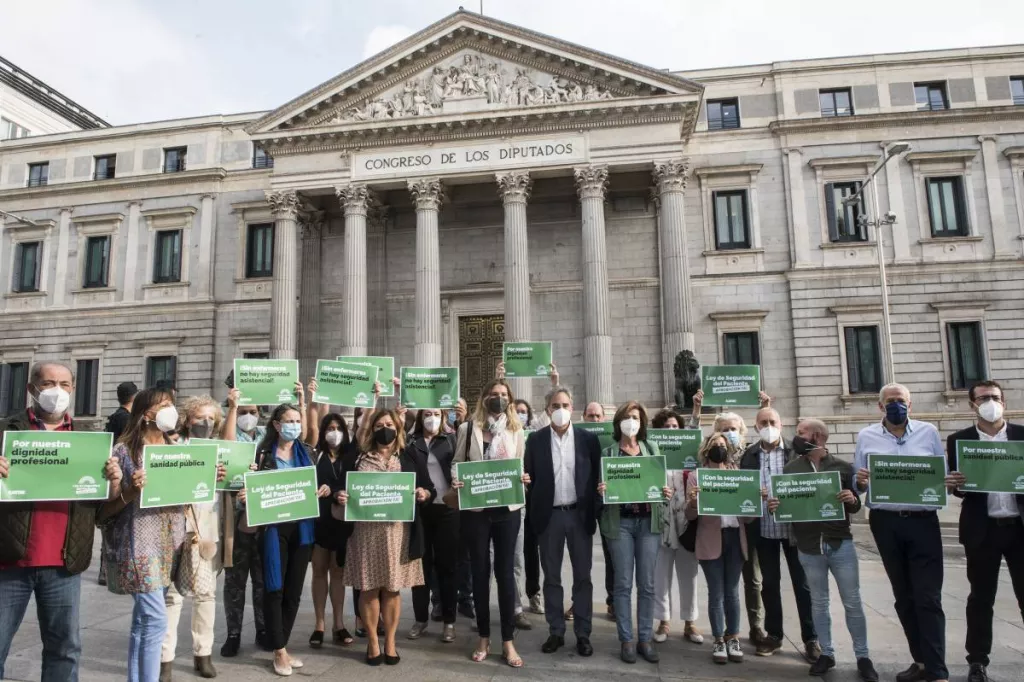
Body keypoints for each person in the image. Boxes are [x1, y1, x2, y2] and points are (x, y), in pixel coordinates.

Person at [0, 362, 123, 682]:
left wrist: (114, 484)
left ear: (73, 389)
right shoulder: (5, 433)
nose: (57, 391)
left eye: (64, 384)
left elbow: (103, 507)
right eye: (48, 383)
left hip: (64, 562)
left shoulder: (89, 441)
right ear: (31, 390)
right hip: (8, 561)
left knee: (65, 649)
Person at [98, 388, 214, 682]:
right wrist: (130, 490)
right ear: (145, 413)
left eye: (171, 405)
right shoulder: (123, 452)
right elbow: (103, 511)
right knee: (156, 618)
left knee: (143, 623)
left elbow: (188, 496)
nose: (170, 410)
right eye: (163, 405)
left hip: (170, 546)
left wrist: (208, 477)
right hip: (138, 547)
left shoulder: (176, 450)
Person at [767, 419, 878, 681]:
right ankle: (826, 653)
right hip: (808, 545)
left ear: (817, 437)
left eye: (802, 432)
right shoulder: (791, 468)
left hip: (840, 542)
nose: (797, 436)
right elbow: (785, 505)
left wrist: (852, 499)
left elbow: (854, 506)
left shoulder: (842, 467)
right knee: (819, 602)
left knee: (852, 602)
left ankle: (863, 656)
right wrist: (776, 506)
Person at [855, 383, 948, 682]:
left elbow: (940, 475)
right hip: (885, 522)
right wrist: (862, 481)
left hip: (922, 521)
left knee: (928, 596)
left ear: (911, 404)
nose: (896, 405)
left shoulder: (928, 432)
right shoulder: (866, 436)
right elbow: (860, 485)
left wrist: (948, 482)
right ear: (880, 407)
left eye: (901, 401)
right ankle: (920, 661)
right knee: (903, 597)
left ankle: (937, 671)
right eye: (890, 401)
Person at [241, 395, 328, 677]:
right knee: (274, 588)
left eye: (298, 421)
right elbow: (248, 488)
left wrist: (322, 490)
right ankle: (278, 650)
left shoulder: (308, 453)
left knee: (293, 591)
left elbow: (316, 483)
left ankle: (284, 646)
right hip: (273, 529)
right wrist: (246, 492)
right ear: (277, 425)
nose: (294, 425)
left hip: (302, 529)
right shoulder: (262, 455)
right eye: (289, 421)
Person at [337, 408, 432, 666]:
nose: (384, 429)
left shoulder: (409, 454)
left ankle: (390, 641)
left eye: (389, 424)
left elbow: (428, 487)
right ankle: (372, 641)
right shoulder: (357, 456)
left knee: (392, 589)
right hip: (365, 533)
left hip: (397, 533)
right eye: (379, 425)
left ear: (398, 428)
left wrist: (423, 493)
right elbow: (340, 486)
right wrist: (340, 495)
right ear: (372, 429)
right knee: (368, 588)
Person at [945, 380, 1024, 682]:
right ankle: (977, 660)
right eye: (983, 398)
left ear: (1004, 401)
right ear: (972, 405)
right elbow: (961, 489)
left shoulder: (1022, 436)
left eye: (995, 397)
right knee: (980, 598)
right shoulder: (959, 440)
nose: (990, 402)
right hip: (983, 529)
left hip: (1019, 528)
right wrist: (957, 485)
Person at [452, 378, 530, 668]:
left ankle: (508, 640)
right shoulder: (467, 428)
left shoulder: (516, 430)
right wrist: (455, 478)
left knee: (506, 573)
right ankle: (483, 636)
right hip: (476, 510)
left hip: (507, 509)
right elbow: (456, 462)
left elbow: (520, 464)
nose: (498, 399)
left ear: (509, 400)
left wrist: (523, 478)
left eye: (503, 395)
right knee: (480, 572)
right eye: (493, 394)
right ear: (484, 398)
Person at [161, 394, 234, 680]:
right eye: (199, 417)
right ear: (187, 421)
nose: (205, 422)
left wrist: (236, 477)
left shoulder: (222, 451)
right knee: (172, 596)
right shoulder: (173, 449)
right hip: (177, 527)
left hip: (208, 527)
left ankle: (203, 654)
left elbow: (235, 483)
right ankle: (165, 658)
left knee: (206, 594)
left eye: (210, 418)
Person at [524, 385, 601, 657]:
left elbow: (596, 479)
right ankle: (556, 631)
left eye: (565, 405)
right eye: (555, 406)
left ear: (573, 408)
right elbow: (529, 480)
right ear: (547, 410)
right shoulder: (534, 440)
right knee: (552, 577)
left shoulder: (588, 440)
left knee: (583, 577)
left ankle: (583, 633)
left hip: (579, 516)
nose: (561, 410)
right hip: (550, 517)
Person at [739, 407, 819, 661]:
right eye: (763, 422)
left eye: (772, 421)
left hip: (796, 531)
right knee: (769, 585)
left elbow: (811, 485)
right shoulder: (749, 455)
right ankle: (774, 635)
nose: (768, 425)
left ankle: (811, 638)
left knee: (803, 585)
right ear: (756, 427)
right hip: (764, 529)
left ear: (781, 425)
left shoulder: (796, 452)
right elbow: (742, 488)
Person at [597, 401, 672, 664]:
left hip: (648, 524)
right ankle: (626, 639)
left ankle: (645, 638)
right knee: (623, 583)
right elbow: (602, 492)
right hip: (621, 524)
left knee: (647, 584)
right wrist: (602, 490)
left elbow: (660, 487)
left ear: (642, 423)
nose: (632, 422)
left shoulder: (651, 449)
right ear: (618, 422)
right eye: (628, 417)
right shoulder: (609, 453)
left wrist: (665, 494)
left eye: (637, 418)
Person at [686, 432, 754, 665]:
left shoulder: (738, 476)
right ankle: (717, 639)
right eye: (715, 445)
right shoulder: (697, 477)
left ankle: (733, 637)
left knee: (732, 592)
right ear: (706, 450)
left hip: (735, 536)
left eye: (722, 445)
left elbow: (749, 517)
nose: (719, 449)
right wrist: (693, 501)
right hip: (710, 538)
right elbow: (690, 515)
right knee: (716, 593)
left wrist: (756, 500)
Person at [713, 408, 766, 645]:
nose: (730, 432)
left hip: (749, 524)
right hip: (723, 527)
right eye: (725, 429)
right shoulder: (714, 455)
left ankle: (756, 626)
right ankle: (726, 630)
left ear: (742, 431)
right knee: (726, 584)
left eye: (733, 429)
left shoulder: (752, 454)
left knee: (753, 579)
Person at [405, 408, 459, 643]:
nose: (432, 418)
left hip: (447, 508)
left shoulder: (450, 439)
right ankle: (420, 619)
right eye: (427, 413)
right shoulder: (411, 443)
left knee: (448, 567)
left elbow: (461, 463)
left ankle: (449, 621)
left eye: (436, 413)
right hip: (422, 510)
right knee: (421, 567)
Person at [650, 409, 703, 646]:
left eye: (675, 427)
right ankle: (663, 620)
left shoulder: (689, 457)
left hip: (686, 520)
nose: (671, 430)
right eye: (666, 427)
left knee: (688, 573)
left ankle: (690, 621)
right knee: (661, 574)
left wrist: (696, 412)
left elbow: (694, 435)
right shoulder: (654, 455)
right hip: (662, 521)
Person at [305, 401, 355, 649]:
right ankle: (319, 624)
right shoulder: (316, 454)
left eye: (338, 427)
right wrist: (312, 400)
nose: (333, 431)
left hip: (342, 521)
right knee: (318, 571)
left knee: (337, 573)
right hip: (319, 520)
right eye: (329, 427)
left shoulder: (351, 456)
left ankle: (338, 623)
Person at [220, 400, 268, 657]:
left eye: (252, 412)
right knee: (234, 582)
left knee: (261, 581)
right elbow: (228, 446)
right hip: (235, 520)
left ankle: (262, 629)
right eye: (243, 412)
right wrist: (231, 407)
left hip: (261, 519)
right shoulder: (229, 432)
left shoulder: (265, 436)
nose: (248, 416)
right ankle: (233, 633)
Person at [581, 399, 614, 620]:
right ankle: (579, 602)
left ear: (604, 418)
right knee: (581, 556)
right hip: (582, 501)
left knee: (612, 555)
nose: (594, 420)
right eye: (590, 416)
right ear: (583, 418)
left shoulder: (612, 440)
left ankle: (613, 602)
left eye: (598, 416)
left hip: (606, 502)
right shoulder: (576, 437)